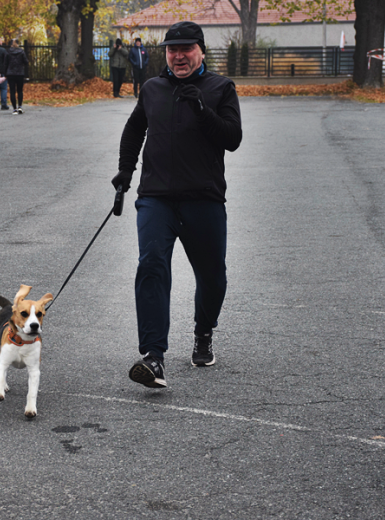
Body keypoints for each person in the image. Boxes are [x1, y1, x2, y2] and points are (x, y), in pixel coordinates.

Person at [112, 21, 242, 388]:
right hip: (156, 198)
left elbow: (232, 139)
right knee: (151, 267)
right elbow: (135, 128)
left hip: (204, 198)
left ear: (201, 50)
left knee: (212, 276)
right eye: (172, 50)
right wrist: (125, 171)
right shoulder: (152, 88)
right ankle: (153, 357)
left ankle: (203, 333)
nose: (179, 56)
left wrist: (202, 110)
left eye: (186, 49)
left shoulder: (220, 88)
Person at [5, 39, 29, 115]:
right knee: (20, 90)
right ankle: (20, 106)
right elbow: (26, 62)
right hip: (20, 73)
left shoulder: (8, 52)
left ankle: (14, 108)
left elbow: (5, 63)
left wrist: (5, 72)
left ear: (11, 44)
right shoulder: (21, 52)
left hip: (10, 73)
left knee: (12, 90)